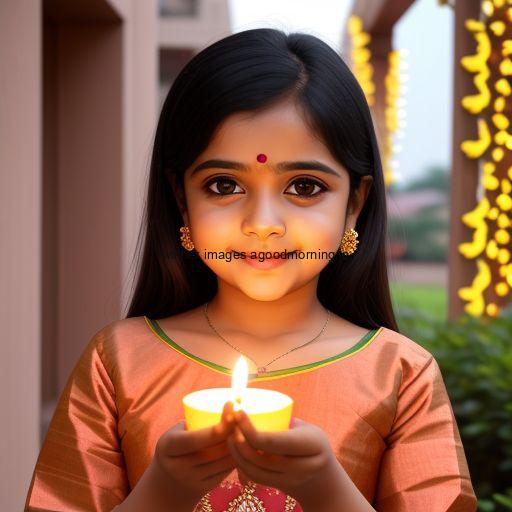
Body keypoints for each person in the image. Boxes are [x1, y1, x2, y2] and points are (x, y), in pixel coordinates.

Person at [25, 28, 477, 512]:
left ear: (354, 205)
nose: (263, 225)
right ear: (182, 201)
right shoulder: (117, 364)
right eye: (224, 185)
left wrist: (328, 490)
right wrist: (161, 493)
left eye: (304, 187)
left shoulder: (400, 375)